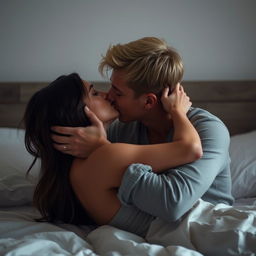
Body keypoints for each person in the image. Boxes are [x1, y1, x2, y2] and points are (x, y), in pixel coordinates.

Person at [51, 37, 234, 225]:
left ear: (148, 102)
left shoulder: (209, 130)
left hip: (210, 227)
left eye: (118, 92)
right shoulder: (123, 128)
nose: (110, 97)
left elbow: (172, 203)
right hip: (152, 231)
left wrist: (103, 151)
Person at [24, 72, 202, 236]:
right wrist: (178, 111)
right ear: (77, 112)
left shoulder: (72, 173)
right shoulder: (105, 155)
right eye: (94, 93)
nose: (107, 95)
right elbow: (190, 149)